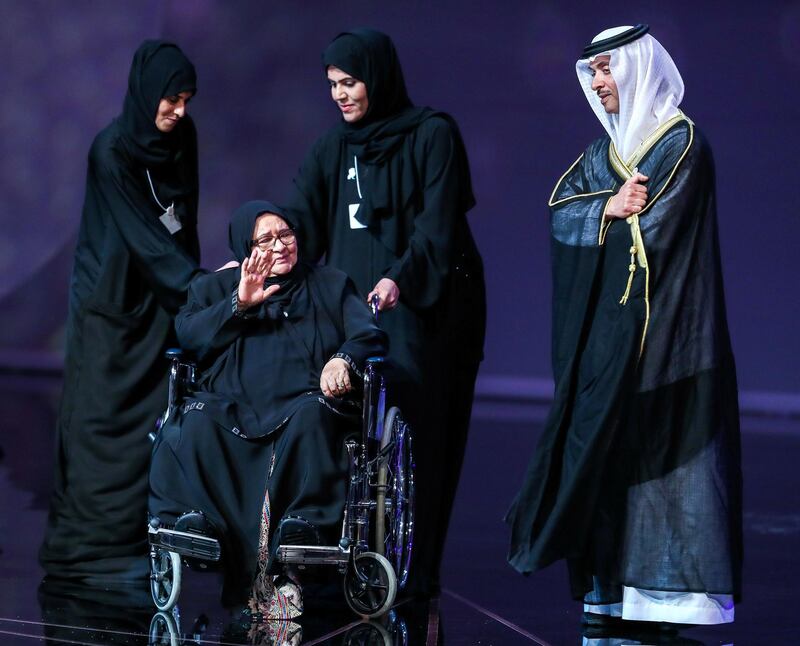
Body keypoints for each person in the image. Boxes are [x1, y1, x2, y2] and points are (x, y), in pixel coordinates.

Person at [506, 25, 743, 630]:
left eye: (609, 70)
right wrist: (606, 210)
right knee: (608, 462)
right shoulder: (600, 156)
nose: (601, 82)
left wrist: (609, 216)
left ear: (638, 70)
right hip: (609, 345)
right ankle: (611, 590)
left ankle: (676, 596)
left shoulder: (682, 144)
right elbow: (565, 212)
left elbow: (658, 227)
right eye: (595, 73)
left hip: (671, 338)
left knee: (673, 458)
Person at [285, 28, 486, 597]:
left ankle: (416, 571)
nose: (340, 95)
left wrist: (399, 278)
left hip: (428, 308)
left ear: (378, 77)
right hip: (357, 310)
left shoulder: (432, 135)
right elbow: (302, 216)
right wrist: (263, 247)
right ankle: (333, 557)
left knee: (421, 435)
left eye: (350, 83)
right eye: (332, 85)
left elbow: (438, 229)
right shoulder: (333, 149)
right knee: (335, 418)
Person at [148, 200, 388, 614]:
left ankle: (303, 524)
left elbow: (367, 333)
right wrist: (239, 304)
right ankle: (200, 522)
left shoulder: (330, 284)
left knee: (313, 420)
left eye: (286, 234)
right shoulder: (214, 288)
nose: (279, 246)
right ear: (245, 246)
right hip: (231, 405)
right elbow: (188, 337)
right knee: (196, 421)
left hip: (303, 403)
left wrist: (343, 359)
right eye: (265, 239)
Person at [40, 40, 204, 582]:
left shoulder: (185, 139)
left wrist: (193, 296)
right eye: (170, 99)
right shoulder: (110, 150)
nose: (178, 110)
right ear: (145, 93)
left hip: (159, 301)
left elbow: (185, 219)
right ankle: (86, 552)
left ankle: (138, 543)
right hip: (110, 306)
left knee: (151, 425)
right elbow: (143, 236)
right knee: (98, 423)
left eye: (185, 99)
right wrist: (200, 288)